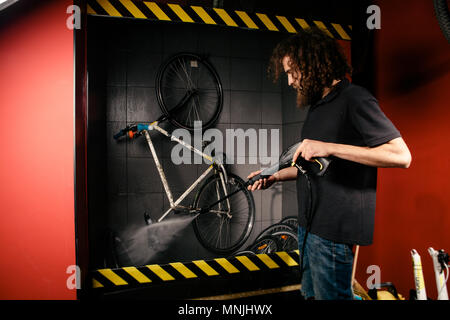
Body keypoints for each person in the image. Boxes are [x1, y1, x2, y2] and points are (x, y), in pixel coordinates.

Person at [247, 27, 412, 300]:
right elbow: (313, 168)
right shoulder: (319, 107)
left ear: (311, 66)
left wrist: (328, 147)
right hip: (309, 228)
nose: (289, 81)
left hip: (334, 232)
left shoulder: (354, 98)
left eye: (292, 72)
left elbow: (401, 156)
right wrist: (274, 176)